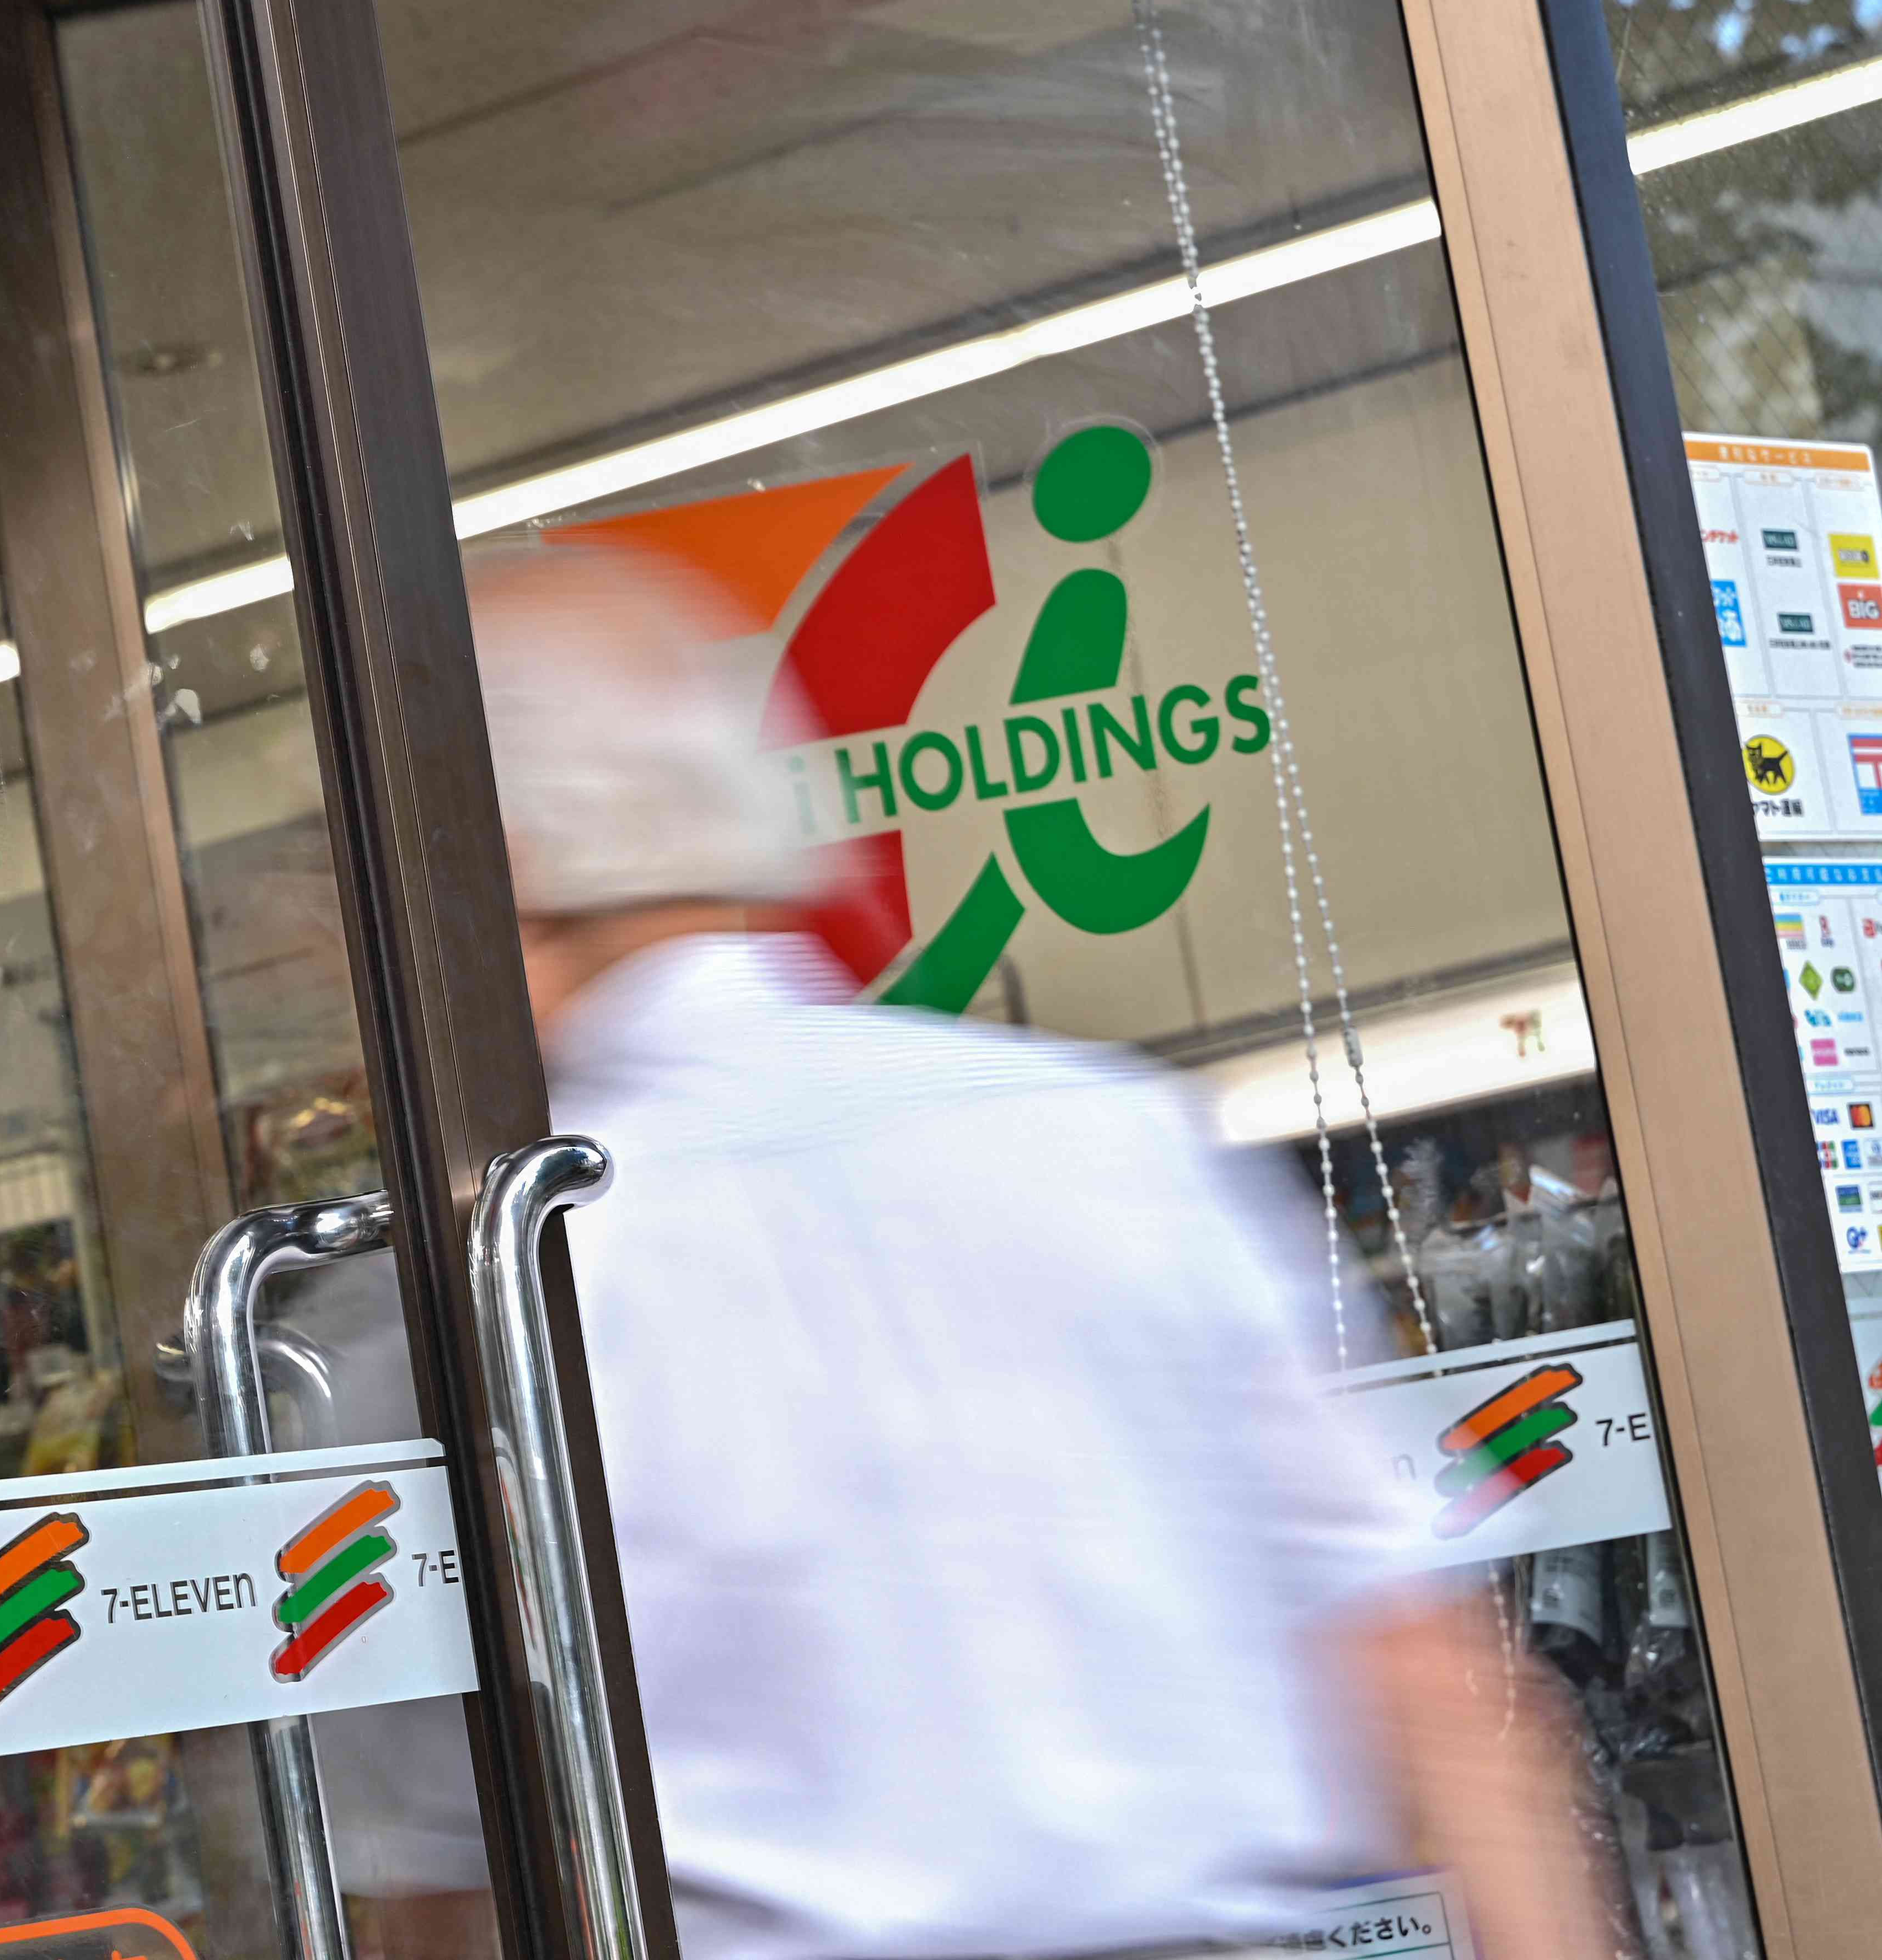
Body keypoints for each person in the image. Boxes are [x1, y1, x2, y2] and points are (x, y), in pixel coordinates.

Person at [443, 539, 1610, 1960]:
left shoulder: (529, 1272)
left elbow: (459, 1877)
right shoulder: (1106, 1136)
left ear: (502, 878)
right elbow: (1433, 1683)